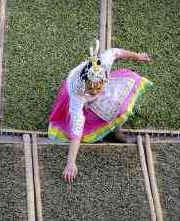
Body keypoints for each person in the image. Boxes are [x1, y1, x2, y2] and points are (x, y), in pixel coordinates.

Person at [47, 40, 152, 182]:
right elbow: (77, 127)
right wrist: (71, 162)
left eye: (99, 88)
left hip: (96, 86)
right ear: (86, 83)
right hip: (75, 97)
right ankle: (110, 131)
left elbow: (116, 51)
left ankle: (116, 130)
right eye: (92, 89)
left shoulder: (104, 63)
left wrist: (137, 56)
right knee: (87, 117)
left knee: (121, 102)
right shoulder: (77, 92)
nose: (95, 92)